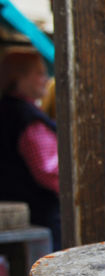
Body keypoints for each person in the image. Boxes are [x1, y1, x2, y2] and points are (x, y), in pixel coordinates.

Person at [0, 50, 60, 250]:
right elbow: (48, 171)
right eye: (39, 73)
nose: (45, 79)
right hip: (37, 214)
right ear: (19, 76)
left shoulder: (8, 109)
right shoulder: (26, 117)